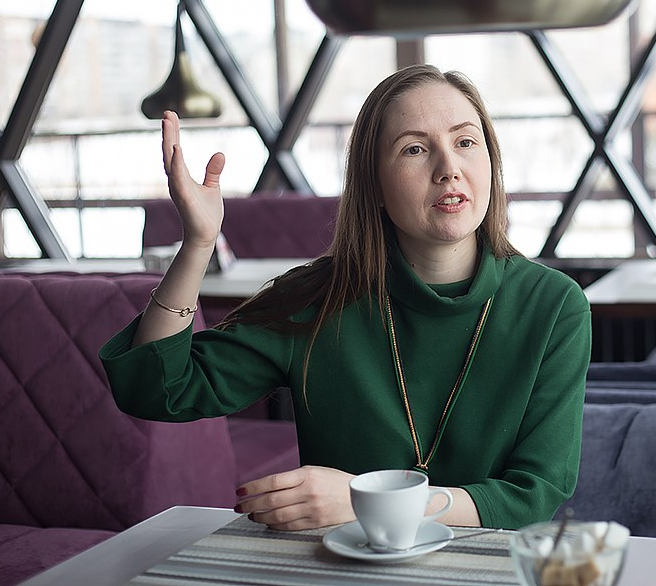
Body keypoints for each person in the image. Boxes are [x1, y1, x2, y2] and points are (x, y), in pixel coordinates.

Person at [100, 64, 592, 532]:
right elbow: (156, 387)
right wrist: (198, 245)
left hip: (486, 567)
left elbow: (534, 494)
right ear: (373, 184)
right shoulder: (318, 298)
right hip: (340, 567)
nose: (449, 168)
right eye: (415, 150)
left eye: (466, 142)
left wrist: (368, 500)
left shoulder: (553, 306)